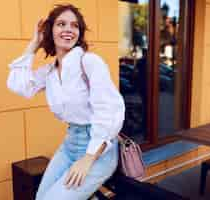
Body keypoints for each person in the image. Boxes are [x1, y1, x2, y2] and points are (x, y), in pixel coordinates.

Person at [7, 4, 125, 200]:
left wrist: (88, 159)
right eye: (61, 24)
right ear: (50, 30)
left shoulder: (89, 62)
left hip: (98, 149)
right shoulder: (50, 72)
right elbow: (19, 85)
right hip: (70, 144)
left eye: (74, 25)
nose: (69, 29)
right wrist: (34, 44)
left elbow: (109, 112)